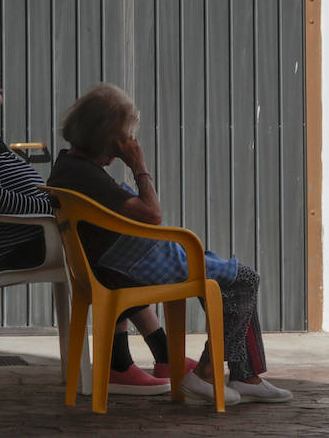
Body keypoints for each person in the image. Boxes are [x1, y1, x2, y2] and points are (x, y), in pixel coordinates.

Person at [0, 58, 183, 393]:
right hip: (10, 245)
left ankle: (142, 358)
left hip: (29, 236)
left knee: (105, 242)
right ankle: (135, 360)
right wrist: (59, 206)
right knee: (105, 249)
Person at [47, 82, 293, 405]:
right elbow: (152, 214)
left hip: (117, 263)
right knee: (245, 280)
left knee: (225, 278)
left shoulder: (67, 167)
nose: (127, 143)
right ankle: (206, 374)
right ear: (105, 138)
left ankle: (245, 375)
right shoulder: (88, 178)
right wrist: (138, 166)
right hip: (128, 267)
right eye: (122, 136)